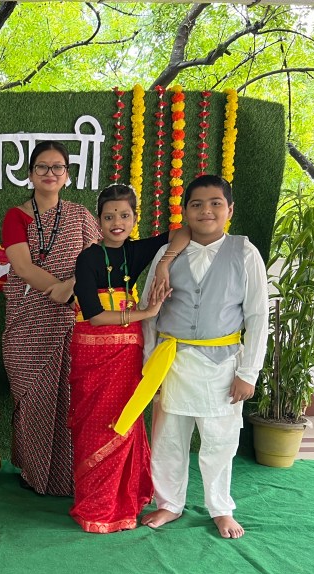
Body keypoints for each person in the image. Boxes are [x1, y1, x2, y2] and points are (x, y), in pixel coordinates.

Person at [131, 175, 269, 539]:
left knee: (220, 441)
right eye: (197, 204)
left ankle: (220, 508)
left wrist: (249, 373)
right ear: (185, 211)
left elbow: (258, 315)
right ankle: (169, 503)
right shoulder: (167, 255)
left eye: (215, 203)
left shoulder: (245, 253)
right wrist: (148, 364)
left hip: (222, 365)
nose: (206, 211)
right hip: (172, 362)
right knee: (167, 439)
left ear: (229, 210)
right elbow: (149, 312)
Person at [68, 184, 189, 533]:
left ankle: (122, 505)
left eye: (124, 215)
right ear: (99, 221)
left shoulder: (135, 251)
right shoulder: (87, 258)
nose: (116, 222)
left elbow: (182, 232)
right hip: (92, 350)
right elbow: (93, 315)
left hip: (126, 353)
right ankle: (94, 507)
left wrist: (164, 262)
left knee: (124, 420)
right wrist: (145, 313)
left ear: (135, 219)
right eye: (109, 216)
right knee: (94, 425)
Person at [1, 140, 101, 496]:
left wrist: (71, 287)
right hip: (27, 323)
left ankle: (70, 476)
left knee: (71, 398)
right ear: (30, 174)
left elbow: (97, 260)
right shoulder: (16, 216)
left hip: (71, 320)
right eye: (42, 167)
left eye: (57, 167)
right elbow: (23, 266)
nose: (50, 173)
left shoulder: (81, 216)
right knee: (32, 398)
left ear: (66, 175)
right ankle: (34, 473)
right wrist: (56, 289)